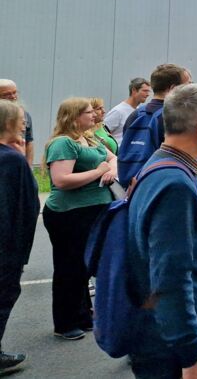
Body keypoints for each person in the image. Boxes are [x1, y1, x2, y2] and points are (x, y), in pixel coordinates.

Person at [127, 83, 197, 379]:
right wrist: (191, 353)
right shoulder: (175, 184)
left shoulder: (160, 165)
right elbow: (170, 278)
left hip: (161, 337)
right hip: (171, 349)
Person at [41, 97, 118, 340]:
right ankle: (64, 322)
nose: (94, 115)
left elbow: (113, 158)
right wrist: (98, 172)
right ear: (73, 117)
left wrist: (111, 170)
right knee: (69, 268)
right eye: (88, 112)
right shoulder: (63, 143)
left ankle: (83, 315)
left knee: (84, 267)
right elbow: (61, 180)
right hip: (70, 214)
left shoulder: (90, 137)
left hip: (93, 210)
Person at [0, 101, 39, 373]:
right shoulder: (11, 160)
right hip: (7, 248)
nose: (24, 125)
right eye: (20, 121)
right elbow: (25, 206)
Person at [118, 63, 191, 185]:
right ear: (173, 89)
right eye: (187, 85)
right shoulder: (172, 118)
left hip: (132, 184)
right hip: (158, 184)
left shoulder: (135, 114)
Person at [103, 77, 151, 143]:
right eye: (145, 91)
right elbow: (102, 134)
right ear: (134, 90)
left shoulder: (139, 111)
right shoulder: (118, 111)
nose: (148, 94)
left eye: (148, 91)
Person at [0, 79, 34, 166]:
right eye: (7, 94)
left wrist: (28, 167)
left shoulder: (24, 114)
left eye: (15, 92)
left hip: (17, 163)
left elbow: (29, 142)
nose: (13, 96)